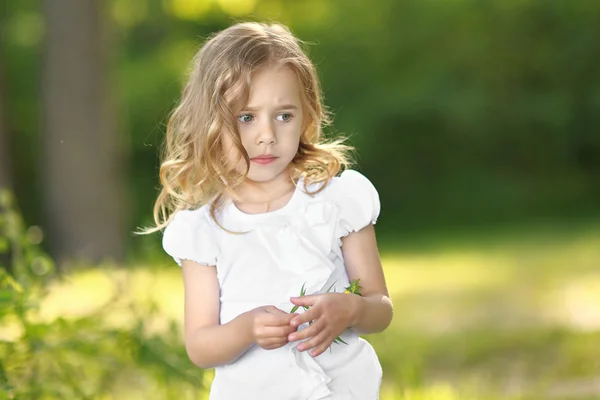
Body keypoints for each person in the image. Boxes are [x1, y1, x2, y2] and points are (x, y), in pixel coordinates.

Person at [147, 21, 393, 400]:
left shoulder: (338, 202)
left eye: (284, 115)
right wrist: (245, 329)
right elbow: (200, 346)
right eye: (246, 118)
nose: (267, 135)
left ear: (306, 116)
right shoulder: (205, 231)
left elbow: (381, 308)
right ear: (210, 124)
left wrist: (351, 310)